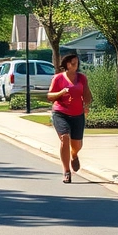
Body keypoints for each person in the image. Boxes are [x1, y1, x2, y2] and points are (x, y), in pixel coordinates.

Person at [47, 53, 92, 183]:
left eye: (77, 63)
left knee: (77, 145)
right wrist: (61, 92)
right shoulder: (58, 78)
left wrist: (86, 103)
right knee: (64, 138)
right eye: (73, 63)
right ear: (66, 64)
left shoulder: (82, 78)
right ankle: (66, 171)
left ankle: (74, 154)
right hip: (60, 113)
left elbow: (87, 96)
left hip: (77, 114)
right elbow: (50, 96)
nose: (75, 66)